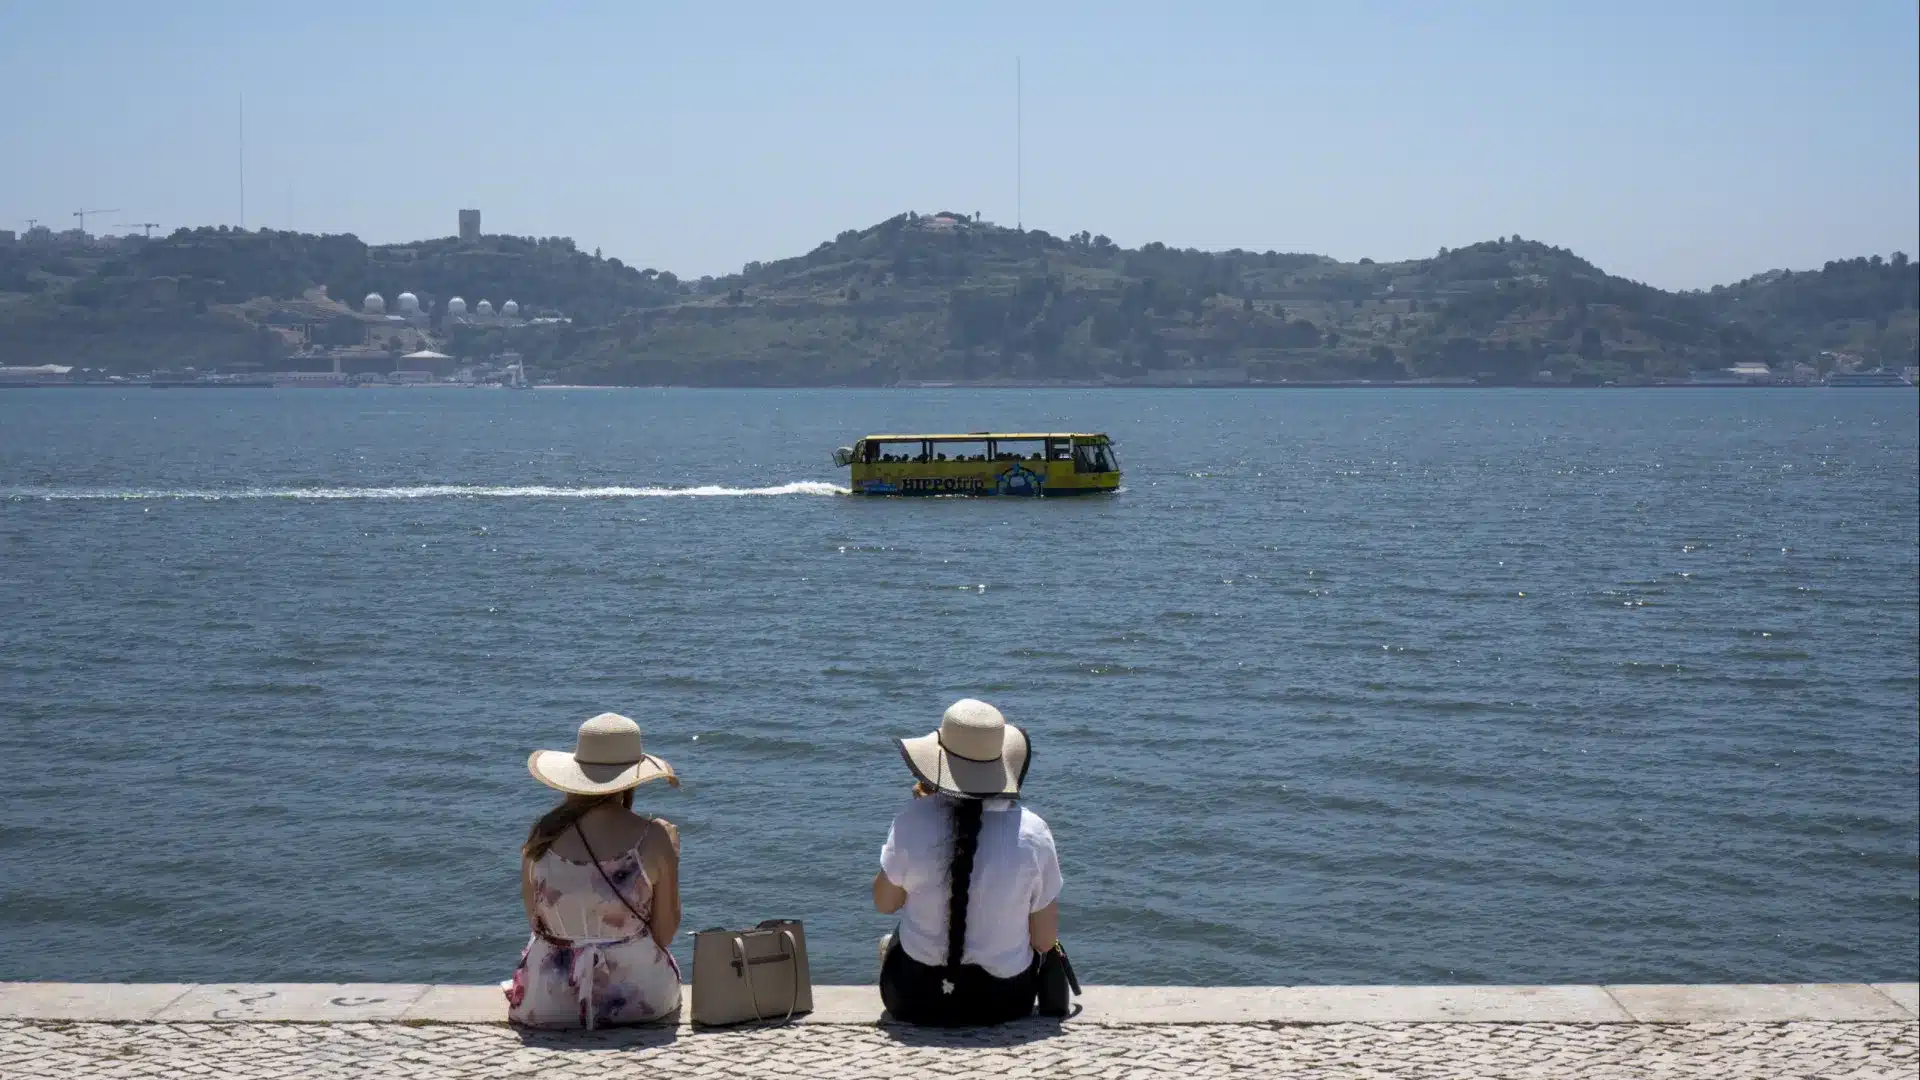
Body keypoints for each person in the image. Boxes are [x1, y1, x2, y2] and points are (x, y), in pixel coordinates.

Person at [872, 699, 1063, 1025]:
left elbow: (885, 903)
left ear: (939, 764)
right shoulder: (1034, 833)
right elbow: (1044, 941)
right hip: (1005, 1002)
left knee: (890, 941)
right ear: (1001, 765)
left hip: (912, 999)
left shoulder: (913, 820)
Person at [504, 713, 683, 1029]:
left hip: (549, 1001)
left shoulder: (541, 837)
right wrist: (672, 856)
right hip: (639, 999)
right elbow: (664, 934)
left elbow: (535, 922)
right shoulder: (653, 838)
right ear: (632, 779)